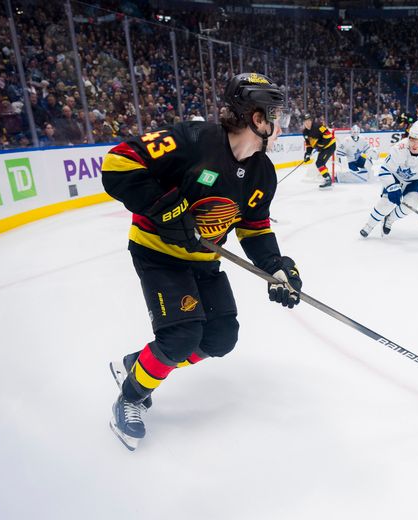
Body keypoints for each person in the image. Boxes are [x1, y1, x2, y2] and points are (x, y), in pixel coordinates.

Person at [100, 73, 303, 451]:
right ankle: (130, 396)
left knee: (220, 338)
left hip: (204, 260)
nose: (281, 126)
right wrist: (167, 210)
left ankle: (141, 363)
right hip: (158, 254)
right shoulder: (193, 140)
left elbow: (254, 229)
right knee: (180, 338)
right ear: (257, 119)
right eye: (275, 115)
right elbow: (118, 163)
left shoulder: (262, 172)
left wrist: (276, 266)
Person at [359, 121, 418, 238]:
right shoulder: (399, 148)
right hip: (395, 177)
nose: (415, 145)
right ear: (408, 137)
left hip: (415, 181)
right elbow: (385, 170)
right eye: (412, 139)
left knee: (411, 204)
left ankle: (389, 220)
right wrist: (391, 187)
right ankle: (369, 225)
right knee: (387, 203)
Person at [302, 113, 336, 189]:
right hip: (323, 148)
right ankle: (327, 178)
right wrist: (307, 153)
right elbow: (309, 144)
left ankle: (328, 179)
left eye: (308, 121)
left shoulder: (319, 127)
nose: (307, 123)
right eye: (305, 122)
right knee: (320, 163)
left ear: (311, 121)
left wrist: (320, 145)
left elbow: (328, 136)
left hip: (330, 146)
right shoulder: (305, 132)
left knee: (319, 163)